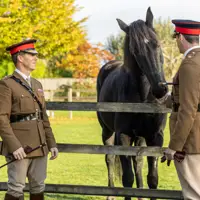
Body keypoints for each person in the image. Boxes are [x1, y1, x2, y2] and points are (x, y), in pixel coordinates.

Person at [0, 39, 59, 200]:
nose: (35, 58)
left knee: (38, 187)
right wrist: (14, 146)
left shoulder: (37, 84)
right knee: (16, 189)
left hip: (40, 145)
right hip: (20, 148)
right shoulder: (7, 84)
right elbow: (1, 119)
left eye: (36, 55)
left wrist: (51, 143)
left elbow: (43, 116)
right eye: (31, 54)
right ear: (20, 57)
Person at [162, 20, 200, 199]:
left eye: (176, 37)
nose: (176, 42)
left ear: (181, 37)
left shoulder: (190, 64)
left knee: (193, 193)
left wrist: (174, 146)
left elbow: (188, 109)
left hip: (191, 141)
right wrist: (168, 100)